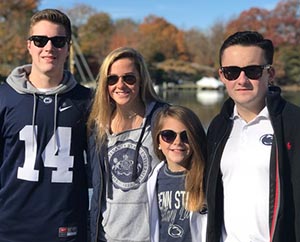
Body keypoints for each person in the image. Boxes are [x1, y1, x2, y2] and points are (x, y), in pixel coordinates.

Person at [0, 9, 92, 242]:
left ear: (68, 46)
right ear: (29, 45)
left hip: (67, 228)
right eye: (40, 40)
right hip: (10, 227)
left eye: (58, 41)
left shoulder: (88, 101)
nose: (49, 48)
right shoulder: (4, 98)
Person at [205, 30, 300, 242]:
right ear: (222, 75)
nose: (242, 80)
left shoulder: (294, 124)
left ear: (270, 73)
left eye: (253, 71)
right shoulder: (218, 127)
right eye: (231, 72)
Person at [87, 46, 167, 242]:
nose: (120, 85)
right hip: (105, 236)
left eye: (129, 78)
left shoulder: (163, 119)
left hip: (151, 236)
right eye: (112, 79)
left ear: (141, 81)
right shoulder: (96, 125)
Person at [148, 105, 207, 242]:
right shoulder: (154, 179)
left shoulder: (207, 177)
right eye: (168, 135)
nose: (177, 142)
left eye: (186, 136)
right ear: (158, 142)